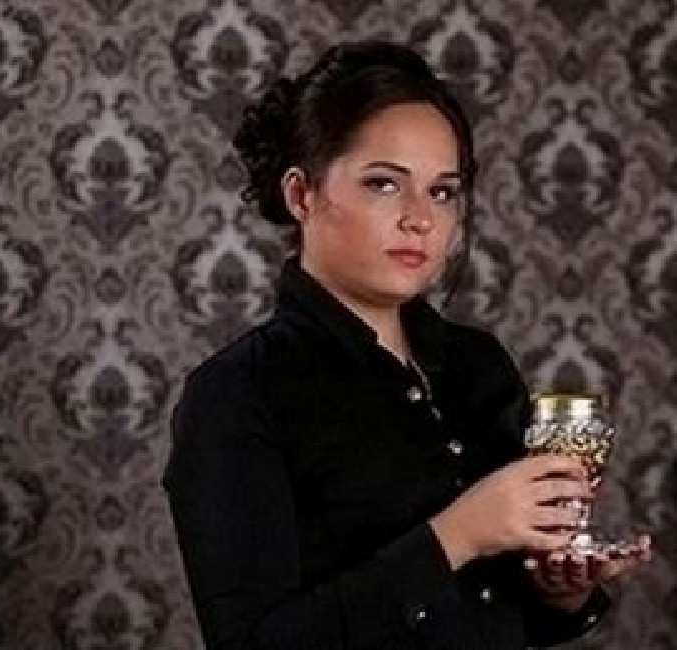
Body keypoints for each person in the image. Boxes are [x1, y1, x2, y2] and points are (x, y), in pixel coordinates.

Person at [163, 40, 651, 650]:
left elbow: (500, 613)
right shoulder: (236, 393)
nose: (421, 218)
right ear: (302, 194)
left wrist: (560, 592)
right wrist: (459, 534)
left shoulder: (479, 365)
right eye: (384, 184)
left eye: (442, 191)